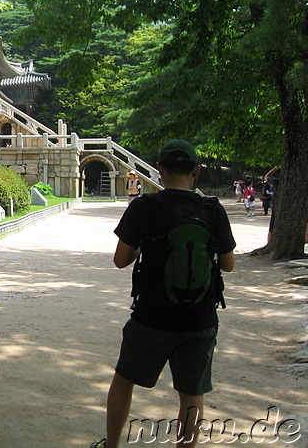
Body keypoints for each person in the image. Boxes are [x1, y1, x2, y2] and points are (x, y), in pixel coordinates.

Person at [90, 139, 236, 448]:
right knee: (191, 393)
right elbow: (228, 264)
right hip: (200, 319)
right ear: (195, 171)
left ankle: (113, 445)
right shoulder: (212, 209)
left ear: (160, 170)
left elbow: (120, 260)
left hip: (151, 317)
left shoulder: (144, 206)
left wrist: (149, 243)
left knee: (124, 380)